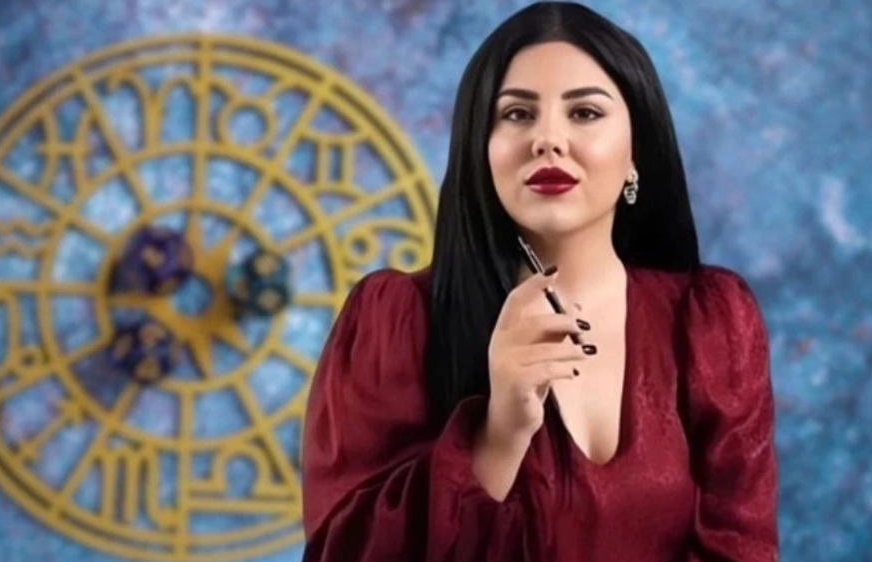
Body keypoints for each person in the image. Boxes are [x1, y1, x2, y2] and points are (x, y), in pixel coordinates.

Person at [299, 2, 778, 560]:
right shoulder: (396, 321)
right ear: (480, 148)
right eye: (517, 114)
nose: (548, 139)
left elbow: (741, 546)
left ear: (637, 152)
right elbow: (342, 550)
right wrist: (497, 434)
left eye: (585, 113)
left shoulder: (711, 322)